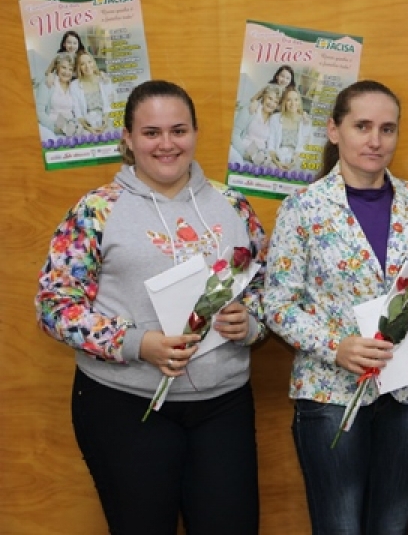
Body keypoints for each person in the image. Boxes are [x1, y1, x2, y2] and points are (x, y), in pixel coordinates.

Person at [35, 79, 267, 535]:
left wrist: (251, 322)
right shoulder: (96, 210)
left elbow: (264, 287)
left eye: (178, 130)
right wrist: (138, 343)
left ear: (196, 133)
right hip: (125, 405)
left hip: (223, 405)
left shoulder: (233, 205)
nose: (166, 144)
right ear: (128, 139)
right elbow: (54, 306)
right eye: (151, 133)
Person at [264, 79, 408, 535]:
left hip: (407, 394)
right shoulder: (304, 207)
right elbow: (277, 303)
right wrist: (336, 345)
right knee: (340, 526)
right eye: (362, 126)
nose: (375, 140)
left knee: (392, 526)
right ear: (334, 130)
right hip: (331, 391)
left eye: (387, 128)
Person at [35, 52, 83, 140]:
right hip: (50, 126)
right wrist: (54, 128)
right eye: (63, 67)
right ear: (57, 68)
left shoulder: (73, 86)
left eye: (70, 69)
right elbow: (39, 111)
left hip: (70, 126)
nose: (67, 72)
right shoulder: (48, 82)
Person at [230, 83, 279, 165]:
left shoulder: (274, 119)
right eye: (270, 98)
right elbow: (234, 134)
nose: (271, 103)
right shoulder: (251, 108)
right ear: (264, 96)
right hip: (241, 152)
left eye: (276, 102)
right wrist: (244, 154)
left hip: (260, 158)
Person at [71, 49, 115, 135]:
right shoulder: (74, 86)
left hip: (105, 120)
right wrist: (89, 128)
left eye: (89, 62)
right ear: (79, 67)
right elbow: (78, 113)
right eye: (83, 64)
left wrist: (105, 122)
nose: (87, 66)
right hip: (86, 124)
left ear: (93, 63)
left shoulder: (104, 80)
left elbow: (110, 105)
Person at [269, 88, 313, 172]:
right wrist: (277, 162)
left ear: (299, 102)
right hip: (278, 157)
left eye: (296, 100)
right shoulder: (275, 118)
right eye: (289, 100)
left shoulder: (305, 121)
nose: (293, 103)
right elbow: (271, 144)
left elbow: (305, 146)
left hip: (296, 159)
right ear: (284, 102)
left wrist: (294, 162)